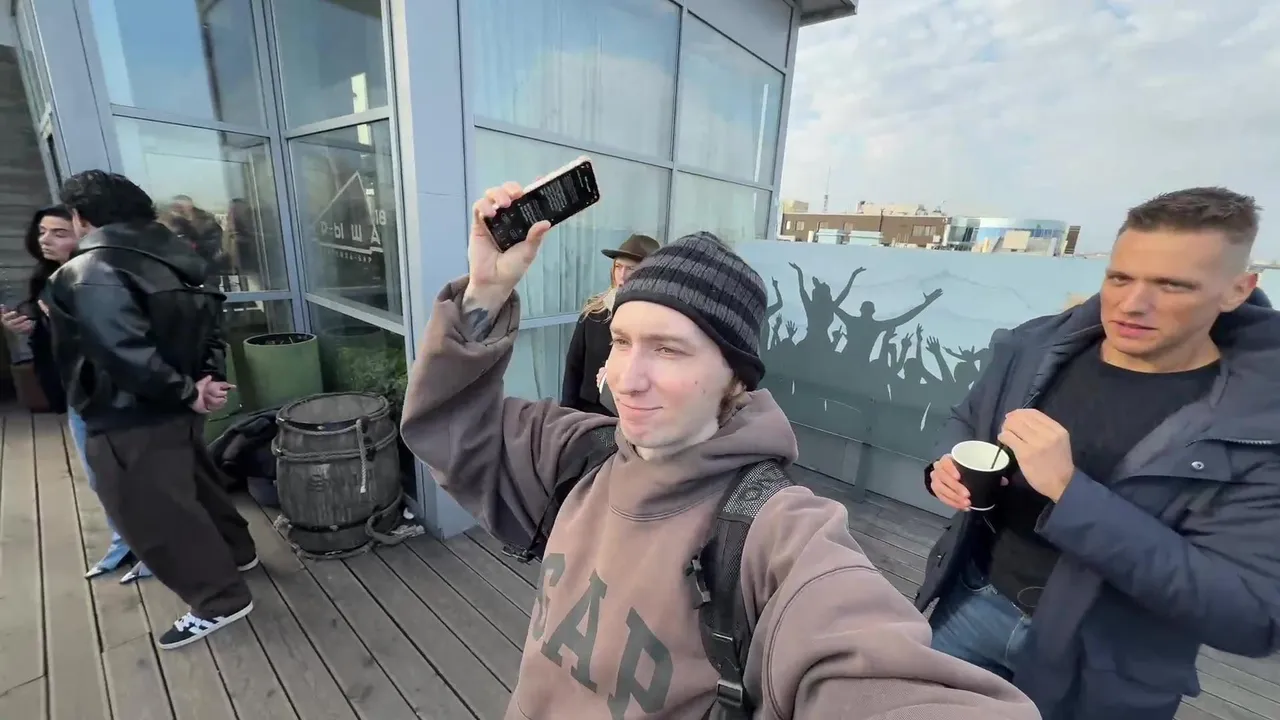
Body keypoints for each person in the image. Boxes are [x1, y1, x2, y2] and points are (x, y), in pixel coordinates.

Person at [400, 180, 1040, 719]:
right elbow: (448, 425)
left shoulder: (774, 533)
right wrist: (485, 293)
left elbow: (874, 667)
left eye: (668, 349)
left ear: (736, 378)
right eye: (621, 341)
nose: (626, 378)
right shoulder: (578, 457)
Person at [918, 186, 1280, 720]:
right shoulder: (1036, 348)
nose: (1133, 304)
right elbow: (970, 419)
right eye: (1120, 278)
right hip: (968, 601)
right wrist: (946, 465)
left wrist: (1071, 494)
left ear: (1237, 291)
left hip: (1105, 666)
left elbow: (1251, 617)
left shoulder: (1259, 424)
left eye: (1172, 285)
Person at [44, 170, 257, 650]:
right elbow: (210, 330)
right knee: (197, 485)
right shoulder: (179, 259)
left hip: (129, 413)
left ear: (80, 217)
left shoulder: (90, 270)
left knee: (152, 511)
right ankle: (237, 553)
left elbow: (122, 352)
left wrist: (186, 392)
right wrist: (202, 385)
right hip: (179, 403)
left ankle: (219, 598)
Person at [2, 205, 155, 582]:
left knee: (134, 476)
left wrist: (63, 321)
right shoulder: (47, 279)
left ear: (85, 233)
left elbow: (121, 341)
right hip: (77, 392)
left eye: (59, 232)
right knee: (99, 476)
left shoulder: (100, 277)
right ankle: (125, 542)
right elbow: (58, 345)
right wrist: (32, 329)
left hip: (114, 394)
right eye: (42, 231)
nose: (46, 240)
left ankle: (155, 548)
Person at [561, 233, 659, 414]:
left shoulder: (660, 320)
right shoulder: (595, 309)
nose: (622, 275)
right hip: (588, 410)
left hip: (631, 414)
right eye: (618, 266)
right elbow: (574, 364)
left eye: (631, 268)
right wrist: (566, 413)